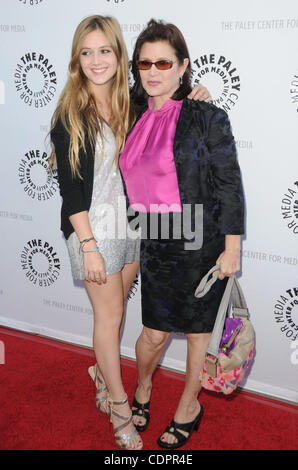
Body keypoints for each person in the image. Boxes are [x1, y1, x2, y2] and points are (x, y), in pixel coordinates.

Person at [49, 15, 210, 450]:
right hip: (92, 230)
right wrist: (88, 246)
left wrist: (198, 95)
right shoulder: (69, 115)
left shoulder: (132, 103)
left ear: (120, 56)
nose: (96, 60)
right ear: (76, 60)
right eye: (87, 52)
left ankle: (101, 371)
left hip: (132, 226)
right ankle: (119, 409)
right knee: (111, 317)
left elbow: (170, 103)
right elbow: (70, 193)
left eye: (105, 51)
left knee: (117, 308)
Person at [119, 19, 245, 449]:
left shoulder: (205, 115)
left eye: (164, 62)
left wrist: (232, 249)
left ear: (182, 66)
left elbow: (228, 182)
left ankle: (189, 406)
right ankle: (143, 388)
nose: (153, 71)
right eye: (145, 62)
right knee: (152, 333)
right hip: (154, 243)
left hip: (201, 243)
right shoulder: (130, 113)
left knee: (197, 334)